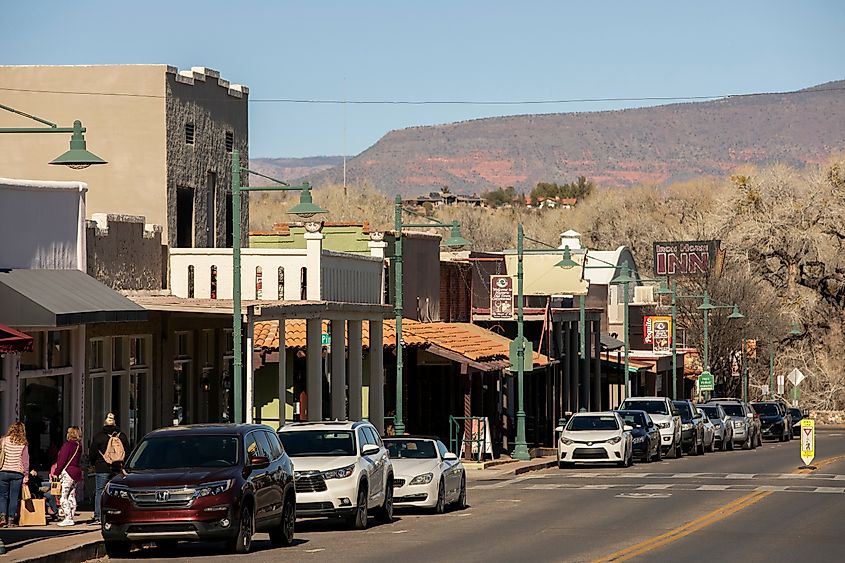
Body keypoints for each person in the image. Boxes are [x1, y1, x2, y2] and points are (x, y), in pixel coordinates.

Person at [89, 413, 129, 525]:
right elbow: (128, 451)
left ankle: (98, 516)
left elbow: (92, 453)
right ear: (115, 423)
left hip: (102, 468)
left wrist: (93, 464)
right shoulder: (122, 436)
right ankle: (117, 513)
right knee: (118, 492)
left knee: (100, 491)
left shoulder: (99, 436)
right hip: (118, 467)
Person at [0, 421, 29, 527]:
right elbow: (25, 460)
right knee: (14, 497)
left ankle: (2, 517)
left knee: (2, 496)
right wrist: (26, 474)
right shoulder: (23, 443)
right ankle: (11, 520)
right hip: (17, 473)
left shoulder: (3, 440)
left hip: (3, 471)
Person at [53, 426, 83, 526]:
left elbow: (62, 460)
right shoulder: (79, 446)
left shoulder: (67, 445)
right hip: (76, 472)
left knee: (63, 496)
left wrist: (56, 473)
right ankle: (71, 515)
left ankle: (68, 517)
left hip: (68, 472)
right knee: (71, 494)